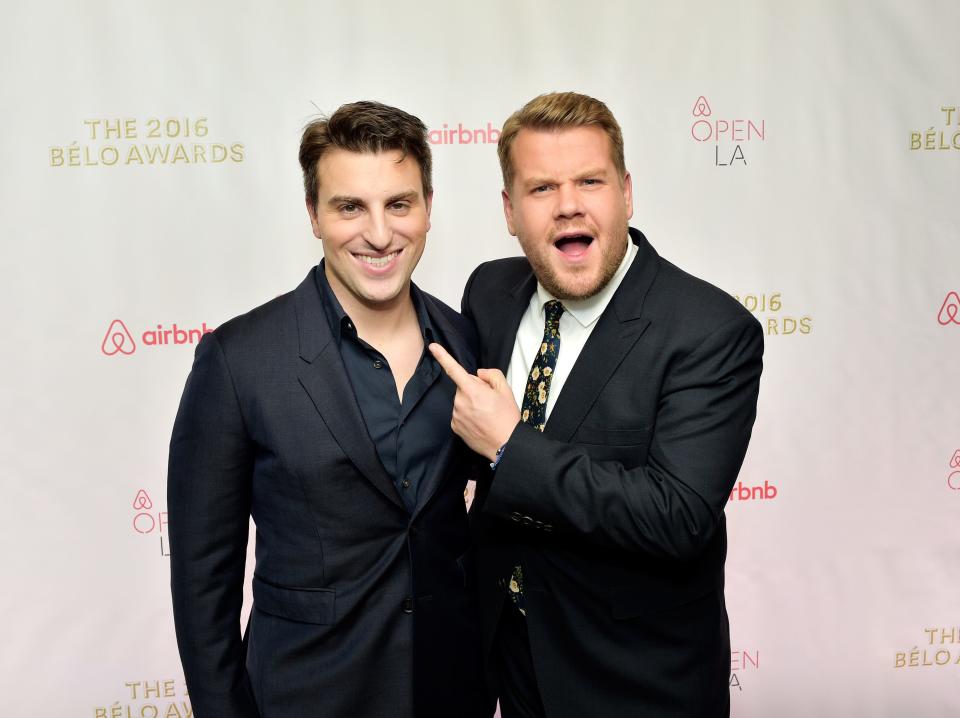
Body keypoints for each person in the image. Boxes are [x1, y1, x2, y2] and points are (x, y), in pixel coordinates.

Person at [429, 91, 764, 718]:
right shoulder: (490, 292)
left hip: (634, 683)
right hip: (509, 663)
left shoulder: (709, 330)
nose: (569, 205)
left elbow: (678, 518)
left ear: (626, 193)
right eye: (541, 188)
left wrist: (510, 446)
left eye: (590, 180)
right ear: (509, 210)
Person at [168, 100, 487, 718]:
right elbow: (202, 584)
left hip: (452, 692)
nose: (378, 232)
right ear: (313, 214)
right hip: (305, 696)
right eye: (350, 207)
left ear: (427, 207)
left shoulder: (468, 341)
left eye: (399, 203)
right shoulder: (239, 361)